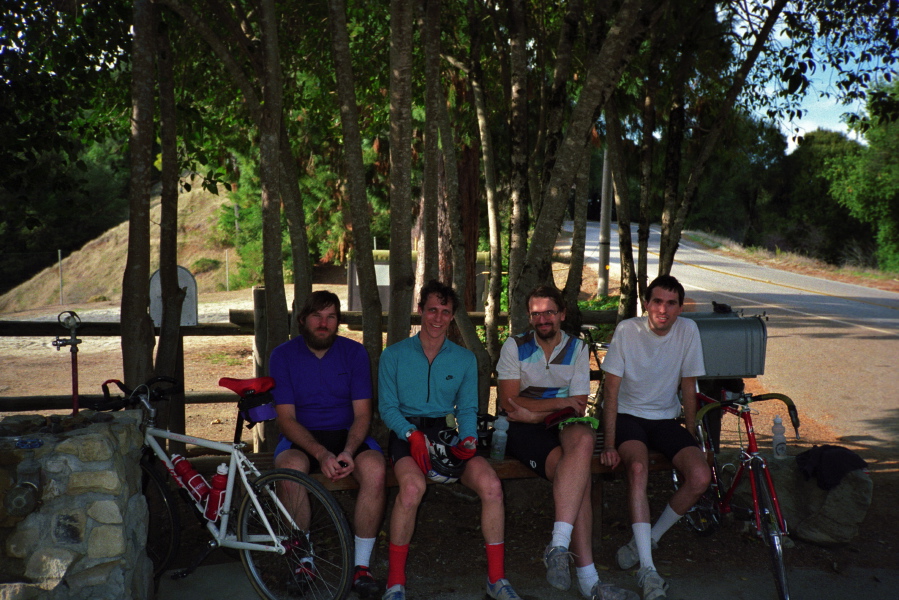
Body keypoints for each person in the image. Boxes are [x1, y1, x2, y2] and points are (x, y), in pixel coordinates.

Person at [378, 280, 519, 600]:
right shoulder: (394, 355)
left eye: (445, 311)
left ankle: (496, 580)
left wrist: (467, 439)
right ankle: (395, 583)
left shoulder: (464, 359)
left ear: (453, 315)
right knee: (412, 489)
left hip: (446, 434)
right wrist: (411, 435)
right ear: (420, 311)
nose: (438, 318)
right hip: (406, 433)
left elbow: (468, 409)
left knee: (492, 486)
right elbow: (386, 408)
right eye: (431, 310)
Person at [497, 285, 637, 600]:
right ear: (529, 317)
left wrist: (535, 411)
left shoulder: (576, 347)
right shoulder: (514, 345)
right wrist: (551, 408)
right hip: (521, 428)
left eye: (549, 312)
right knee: (578, 478)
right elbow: (508, 402)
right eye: (536, 313)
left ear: (561, 314)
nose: (542, 319)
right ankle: (589, 581)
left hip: (546, 421)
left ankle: (559, 546)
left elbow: (578, 402)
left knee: (585, 437)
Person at [599, 275, 712, 600]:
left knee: (700, 475)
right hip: (628, 417)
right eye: (657, 301)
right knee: (637, 469)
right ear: (646, 304)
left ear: (679, 307)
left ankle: (647, 540)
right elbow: (611, 390)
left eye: (671, 303)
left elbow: (689, 387)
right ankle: (648, 571)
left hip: (665, 418)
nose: (663, 309)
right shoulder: (627, 330)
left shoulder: (688, 331)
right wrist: (609, 443)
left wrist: (690, 437)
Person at [269, 290, 386, 599]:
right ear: (303, 320)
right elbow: (286, 420)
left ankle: (361, 567)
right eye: (317, 317)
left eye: (331, 317)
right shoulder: (283, 355)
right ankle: (303, 561)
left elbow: (363, 414)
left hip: (346, 433)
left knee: (375, 469)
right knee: (290, 469)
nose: (324, 323)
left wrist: (347, 451)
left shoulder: (354, 353)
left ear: (338, 322)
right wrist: (321, 454)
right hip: (302, 435)